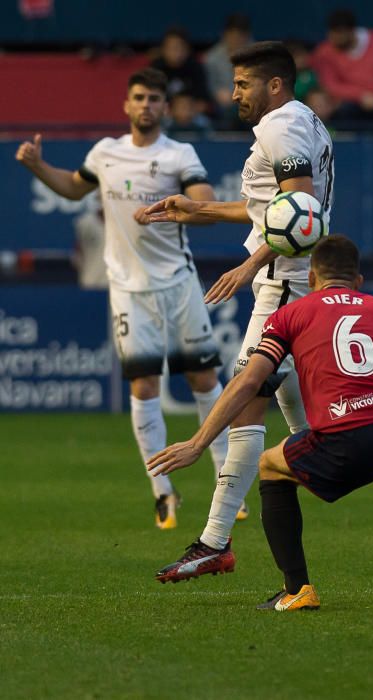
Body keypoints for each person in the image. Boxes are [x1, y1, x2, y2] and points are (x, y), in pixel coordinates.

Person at [147, 236, 373, 611]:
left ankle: (297, 589)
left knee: (270, 467)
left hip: (349, 434)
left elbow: (250, 381)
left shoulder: (290, 314)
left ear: (312, 277)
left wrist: (198, 443)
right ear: (358, 281)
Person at [144, 41, 334, 579]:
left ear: (274, 85)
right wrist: (197, 208)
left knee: (247, 388)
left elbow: (303, 210)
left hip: (283, 281)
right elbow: (272, 209)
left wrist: (250, 265)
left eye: (243, 84)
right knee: (301, 421)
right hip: (290, 276)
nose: (234, 94)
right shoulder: (304, 122)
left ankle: (213, 540)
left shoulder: (280, 128)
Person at [15, 67, 229, 529]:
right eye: (139, 97)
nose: (146, 105)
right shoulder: (106, 152)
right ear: (126, 106)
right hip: (129, 289)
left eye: (155, 98)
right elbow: (74, 188)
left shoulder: (179, 155)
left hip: (178, 282)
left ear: (165, 108)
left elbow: (208, 206)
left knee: (203, 380)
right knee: (143, 387)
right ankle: (163, 494)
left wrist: (182, 208)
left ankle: (227, 482)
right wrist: (36, 164)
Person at [204, 14, 252, 120]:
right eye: (233, 35)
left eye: (241, 36)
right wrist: (217, 93)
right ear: (225, 34)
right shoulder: (212, 57)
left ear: (247, 36)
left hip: (250, 101)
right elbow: (210, 84)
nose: (236, 39)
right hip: (223, 105)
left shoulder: (258, 55)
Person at [151, 27, 211, 110]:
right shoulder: (155, 69)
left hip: (192, 114)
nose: (176, 52)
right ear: (163, 49)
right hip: (165, 114)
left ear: (187, 49)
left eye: (180, 48)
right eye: (172, 48)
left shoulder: (196, 67)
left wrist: (187, 112)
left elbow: (203, 102)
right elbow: (151, 101)